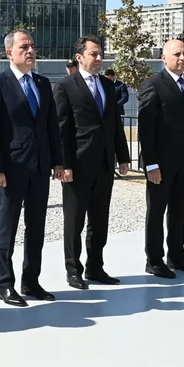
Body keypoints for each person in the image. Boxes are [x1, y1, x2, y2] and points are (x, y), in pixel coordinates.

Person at [0, 29, 63, 306]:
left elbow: (51, 126)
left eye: (32, 46)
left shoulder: (42, 83)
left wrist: (57, 161)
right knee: (8, 228)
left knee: (36, 227)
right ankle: (5, 284)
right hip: (11, 169)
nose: (30, 51)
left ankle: (31, 281)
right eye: (24, 47)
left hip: (39, 168)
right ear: (9, 53)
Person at [55, 36, 130, 289]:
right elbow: (62, 129)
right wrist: (64, 164)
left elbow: (115, 124)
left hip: (105, 164)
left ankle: (95, 268)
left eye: (100, 54)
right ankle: (73, 270)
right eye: (94, 54)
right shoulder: (66, 87)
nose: (99, 59)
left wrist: (123, 156)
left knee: (99, 220)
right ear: (79, 57)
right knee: (74, 222)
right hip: (77, 165)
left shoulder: (108, 86)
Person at [138, 40, 184, 278]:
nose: (182, 58)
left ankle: (177, 256)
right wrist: (151, 164)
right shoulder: (152, 85)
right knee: (156, 212)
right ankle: (154, 260)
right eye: (177, 54)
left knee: (179, 210)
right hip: (161, 163)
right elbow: (145, 128)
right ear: (164, 58)